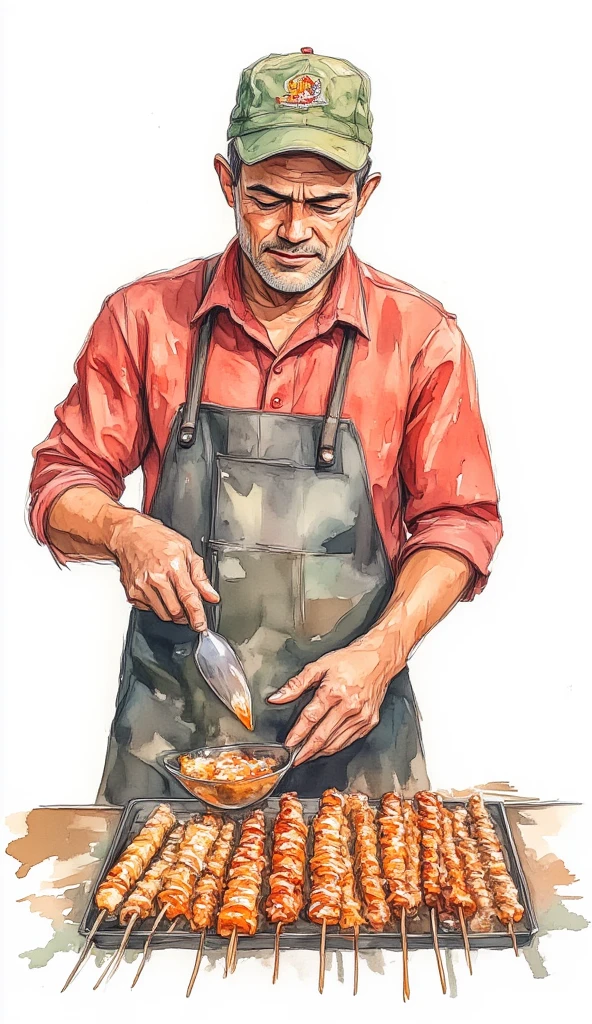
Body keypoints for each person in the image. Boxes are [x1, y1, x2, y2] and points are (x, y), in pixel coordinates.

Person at [28, 48, 502, 804]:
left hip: (352, 732)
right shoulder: (145, 318)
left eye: (325, 204)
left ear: (366, 194)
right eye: (268, 197)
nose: (294, 229)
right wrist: (126, 533)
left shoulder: (422, 336)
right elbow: (59, 488)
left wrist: (381, 654)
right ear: (227, 182)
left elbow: (460, 526)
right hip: (172, 737)